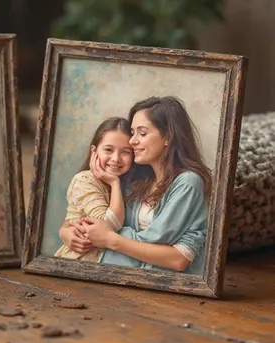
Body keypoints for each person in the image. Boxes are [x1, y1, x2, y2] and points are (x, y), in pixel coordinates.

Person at [61, 96, 211, 273]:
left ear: (168, 137)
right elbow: (83, 217)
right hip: (113, 274)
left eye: (142, 133)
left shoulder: (187, 182)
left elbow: (158, 242)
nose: (132, 141)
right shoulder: (134, 180)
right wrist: (66, 232)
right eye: (132, 133)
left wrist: (110, 238)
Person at [55, 117, 133, 262]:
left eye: (126, 152)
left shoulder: (131, 183)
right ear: (94, 151)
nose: (116, 158)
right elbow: (108, 227)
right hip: (81, 261)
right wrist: (114, 183)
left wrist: (64, 230)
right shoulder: (84, 180)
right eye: (108, 149)